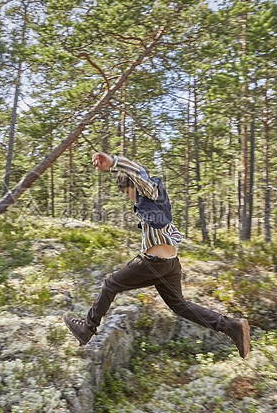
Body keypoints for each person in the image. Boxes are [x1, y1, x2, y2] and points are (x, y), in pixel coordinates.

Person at [62, 152, 251, 358]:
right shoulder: (153, 202)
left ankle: (86, 328)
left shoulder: (149, 190)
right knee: (179, 305)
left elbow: (139, 172)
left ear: (132, 186)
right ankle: (230, 326)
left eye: (127, 193)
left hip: (154, 262)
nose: (129, 197)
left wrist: (114, 162)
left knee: (110, 285)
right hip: (170, 263)